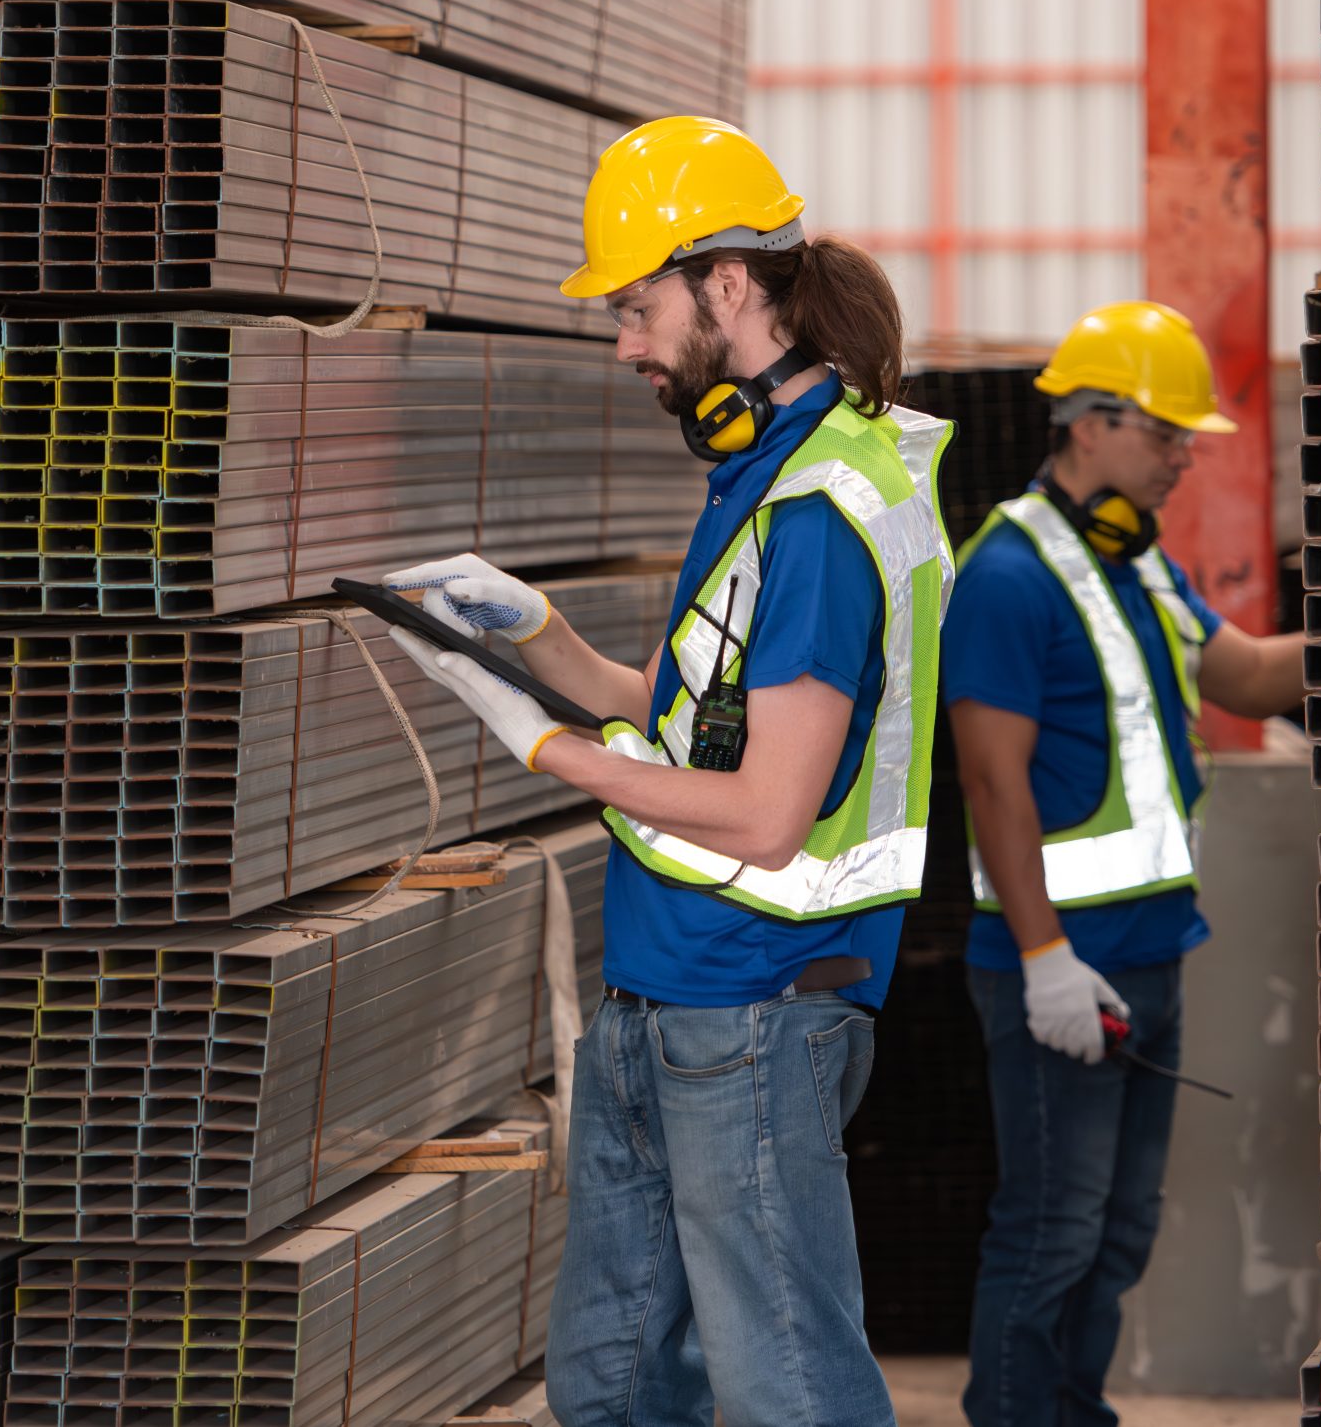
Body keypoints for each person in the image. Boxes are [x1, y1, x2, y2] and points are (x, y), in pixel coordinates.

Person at [376, 116, 952, 1427]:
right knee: (614, 1378)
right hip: (668, 995)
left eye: (638, 308)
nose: (626, 343)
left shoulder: (815, 509)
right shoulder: (765, 469)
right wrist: (539, 638)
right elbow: (700, 716)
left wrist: (550, 748)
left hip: (747, 1006)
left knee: (783, 1383)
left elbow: (764, 808)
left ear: (729, 286)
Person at [943, 301, 1307, 1427]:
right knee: (1051, 1230)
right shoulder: (1006, 575)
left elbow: (1242, 678)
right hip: (1063, 971)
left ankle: (1071, 1415)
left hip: (1149, 955)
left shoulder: (1134, 567)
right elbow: (990, 780)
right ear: (1090, 423)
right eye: (1165, 435)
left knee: (1117, 1229)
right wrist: (1044, 957)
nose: (1183, 460)